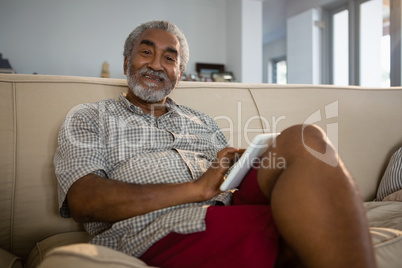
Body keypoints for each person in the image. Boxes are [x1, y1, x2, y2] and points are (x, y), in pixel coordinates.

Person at [54, 20, 377, 268]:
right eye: (146, 51)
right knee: (306, 227)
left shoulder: (201, 120)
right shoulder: (90, 116)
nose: (156, 64)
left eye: (170, 58)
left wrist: (236, 165)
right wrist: (197, 188)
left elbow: (227, 187)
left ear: (178, 73)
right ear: (126, 63)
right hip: (157, 227)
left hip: (224, 204)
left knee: (304, 137)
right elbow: (84, 201)